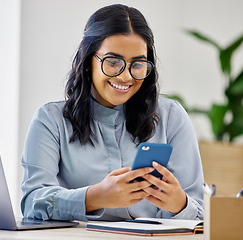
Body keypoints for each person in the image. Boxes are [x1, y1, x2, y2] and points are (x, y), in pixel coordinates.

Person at [20, 4, 204, 222]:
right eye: (113, 62)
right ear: (88, 61)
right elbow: (32, 201)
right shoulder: (50, 120)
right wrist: (94, 197)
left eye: (137, 64)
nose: (126, 76)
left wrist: (179, 203)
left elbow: (200, 211)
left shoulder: (171, 117)